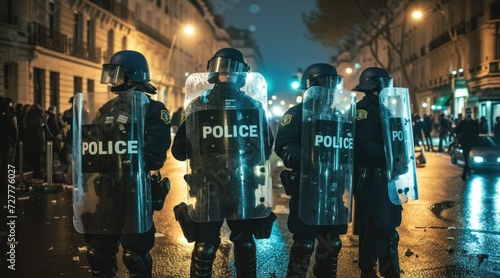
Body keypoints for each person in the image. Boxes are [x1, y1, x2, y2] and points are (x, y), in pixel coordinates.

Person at [171, 48, 275, 277]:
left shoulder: (199, 105)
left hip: (218, 186)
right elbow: (266, 149)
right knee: (229, 245)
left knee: (209, 246)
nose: (227, 74)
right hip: (234, 185)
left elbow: (179, 151)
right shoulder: (251, 106)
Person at [81, 50, 171, 277]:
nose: (113, 79)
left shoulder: (154, 109)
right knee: (97, 253)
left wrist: (125, 151)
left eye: (117, 73)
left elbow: (155, 157)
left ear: (133, 75)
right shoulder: (107, 109)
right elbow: (90, 148)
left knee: (135, 256)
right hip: (108, 192)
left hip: (136, 192)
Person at [274, 63, 351, 277]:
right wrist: (308, 157)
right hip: (307, 187)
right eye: (326, 84)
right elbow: (284, 145)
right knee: (304, 245)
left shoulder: (338, 116)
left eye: (333, 84)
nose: (331, 90)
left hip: (333, 190)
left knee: (331, 243)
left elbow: (348, 148)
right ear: (312, 86)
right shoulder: (297, 113)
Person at [352, 67, 402, 278]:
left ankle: (368, 270)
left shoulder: (385, 109)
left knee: (376, 227)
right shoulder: (363, 110)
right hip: (371, 178)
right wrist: (391, 153)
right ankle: (388, 272)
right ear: (377, 85)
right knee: (383, 228)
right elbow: (363, 146)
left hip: (386, 177)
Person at [24, 103, 52, 181]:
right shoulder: (39, 116)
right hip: (39, 139)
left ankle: (36, 173)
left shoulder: (29, 117)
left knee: (34, 158)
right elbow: (45, 125)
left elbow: (26, 126)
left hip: (31, 140)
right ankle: (38, 174)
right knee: (38, 158)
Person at [454, 108, 479, 180]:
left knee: (468, 158)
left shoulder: (473, 123)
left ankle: (466, 172)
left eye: (470, 112)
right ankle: (466, 172)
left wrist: (475, 139)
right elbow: (457, 131)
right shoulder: (463, 123)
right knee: (466, 158)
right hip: (464, 143)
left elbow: (477, 132)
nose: (469, 114)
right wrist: (458, 138)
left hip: (471, 143)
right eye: (468, 112)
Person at [0, 96, 18, 188]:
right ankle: (5, 181)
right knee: (7, 161)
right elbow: (12, 130)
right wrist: (14, 141)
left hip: (4, 140)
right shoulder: (8, 115)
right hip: (5, 141)